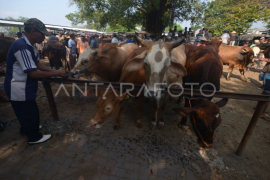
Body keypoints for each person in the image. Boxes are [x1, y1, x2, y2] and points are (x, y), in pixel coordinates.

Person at [4, 18, 68, 144]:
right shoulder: (22, 47)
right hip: (19, 87)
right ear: (33, 32)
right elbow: (33, 73)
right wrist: (56, 72)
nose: (44, 37)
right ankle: (34, 137)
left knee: (24, 111)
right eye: (42, 34)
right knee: (30, 111)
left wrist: (51, 71)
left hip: (24, 86)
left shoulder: (29, 45)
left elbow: (37, 64)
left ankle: (27, 129)